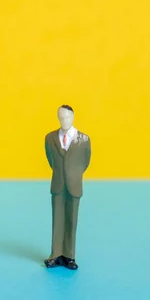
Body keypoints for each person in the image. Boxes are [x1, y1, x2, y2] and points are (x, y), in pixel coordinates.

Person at [44, 105, 91, 270]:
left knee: (72, 220)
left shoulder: (84, 140)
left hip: (74, 185)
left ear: (73, 117)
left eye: (67, 117)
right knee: (57, 220)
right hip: (58, 184)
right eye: (61, 117)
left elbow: (85, 161)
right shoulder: (50, 138)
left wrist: (74, 175)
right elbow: (50, 159)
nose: (64, 120)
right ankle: (55, 254)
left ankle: (69, 256)